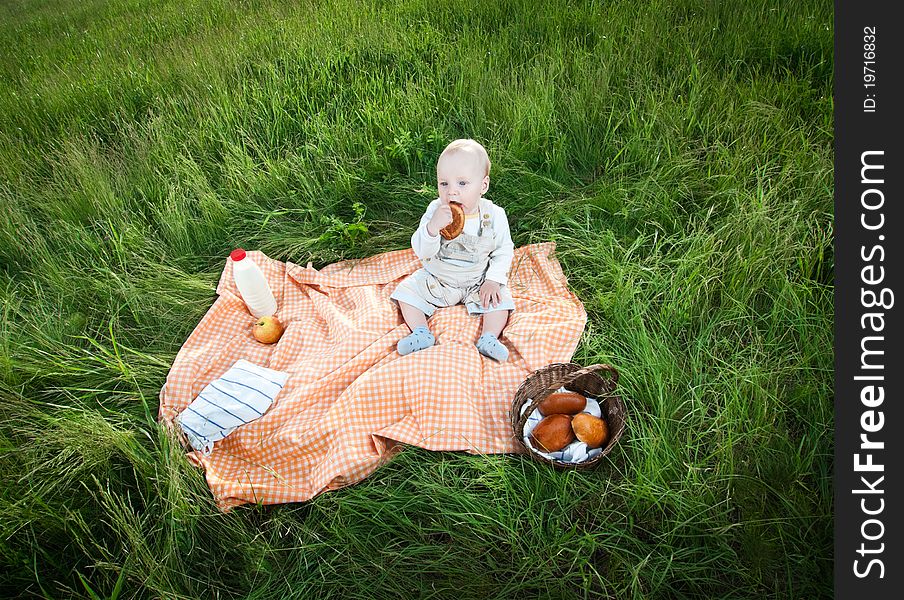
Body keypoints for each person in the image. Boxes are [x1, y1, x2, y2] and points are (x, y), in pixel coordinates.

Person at [390, 139, 515, 361]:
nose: (452, 192)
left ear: (483, 186)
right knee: (406, 292)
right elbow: (422, 252)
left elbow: (503, 250)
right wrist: (431, 229)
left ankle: (489, 337)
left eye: (463, 183)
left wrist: (493, 280)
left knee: (501, 299)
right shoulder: (435, 211)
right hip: (439, 279)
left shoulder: (494, 215)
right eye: (444, 184)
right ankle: (421, 332)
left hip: (478, 280)